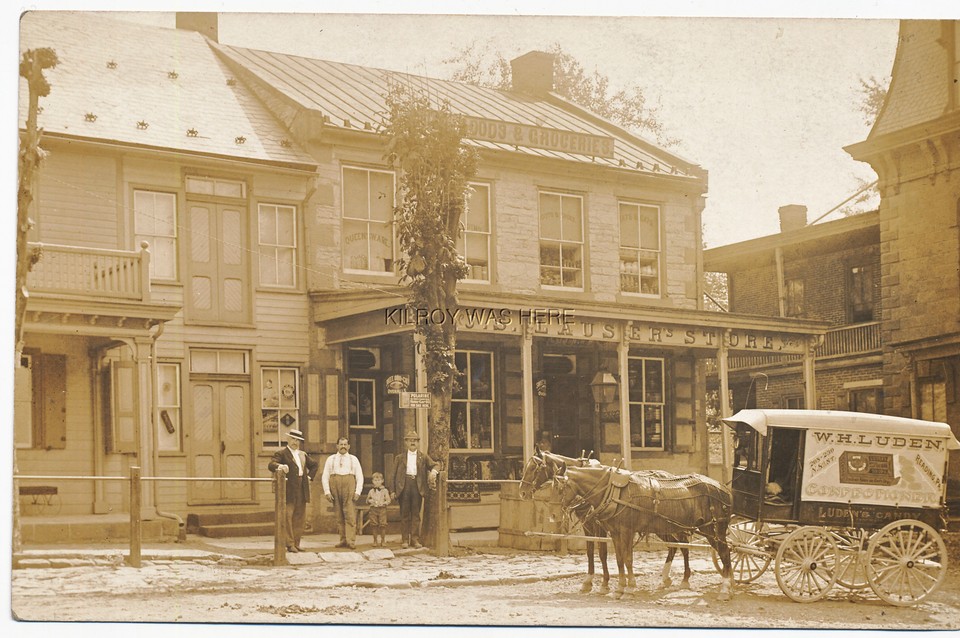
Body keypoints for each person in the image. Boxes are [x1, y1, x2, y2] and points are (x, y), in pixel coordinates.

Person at [267, 429, 319, 553]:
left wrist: (309, 477)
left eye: (298, 440)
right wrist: (280, 466)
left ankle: (296, 543)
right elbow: (271, 464)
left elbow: (314, 465)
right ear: (288, 439)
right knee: (288, 516)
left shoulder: (303, 454)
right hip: (289, 489)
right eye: (293, 439)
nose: (295, 442)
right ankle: (289, 544)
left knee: (300, 517)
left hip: (302, 488)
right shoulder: (282, 453)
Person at [390, 430, 439, 549]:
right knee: (405, 514)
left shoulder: (423, 457)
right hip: (404, 486)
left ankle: (415, 540)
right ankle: (405, 540)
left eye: (415, 441)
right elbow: (393, 475)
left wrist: (433, 472)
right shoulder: (399, 458)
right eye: (410, 440)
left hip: (417, 486)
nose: (413, 443)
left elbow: (436, 465)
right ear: (406, 442)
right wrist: (392, 491)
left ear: (418, 443)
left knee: (416, 515)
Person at [321, 436, 364, 549]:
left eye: (345, 444)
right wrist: (327, 491)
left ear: (349, 446)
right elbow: (325, 476)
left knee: (349, 514)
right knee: (339, 515)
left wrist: (358, 491)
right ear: (337, 446)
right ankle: (343, 539)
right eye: (341, 444)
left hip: (349, 486)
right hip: (335, 486)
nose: (343, 447)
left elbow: (360, 476)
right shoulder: (331, 459)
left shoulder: (353, 459)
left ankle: (350, 541)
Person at [365, 472, 391, 547]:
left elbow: (388, 500)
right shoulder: (371, 491)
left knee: (383, 525)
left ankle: (383, 540)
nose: (377, 482)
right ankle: (375, 540)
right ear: (372, 481)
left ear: (382, 481)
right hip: (373, 509)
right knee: (374, 525)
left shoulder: (385, 491)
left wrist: (383, 503)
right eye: (375, 480)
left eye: (379, 480)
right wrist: (370, 501)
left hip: (382, 509)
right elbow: (367, 500)